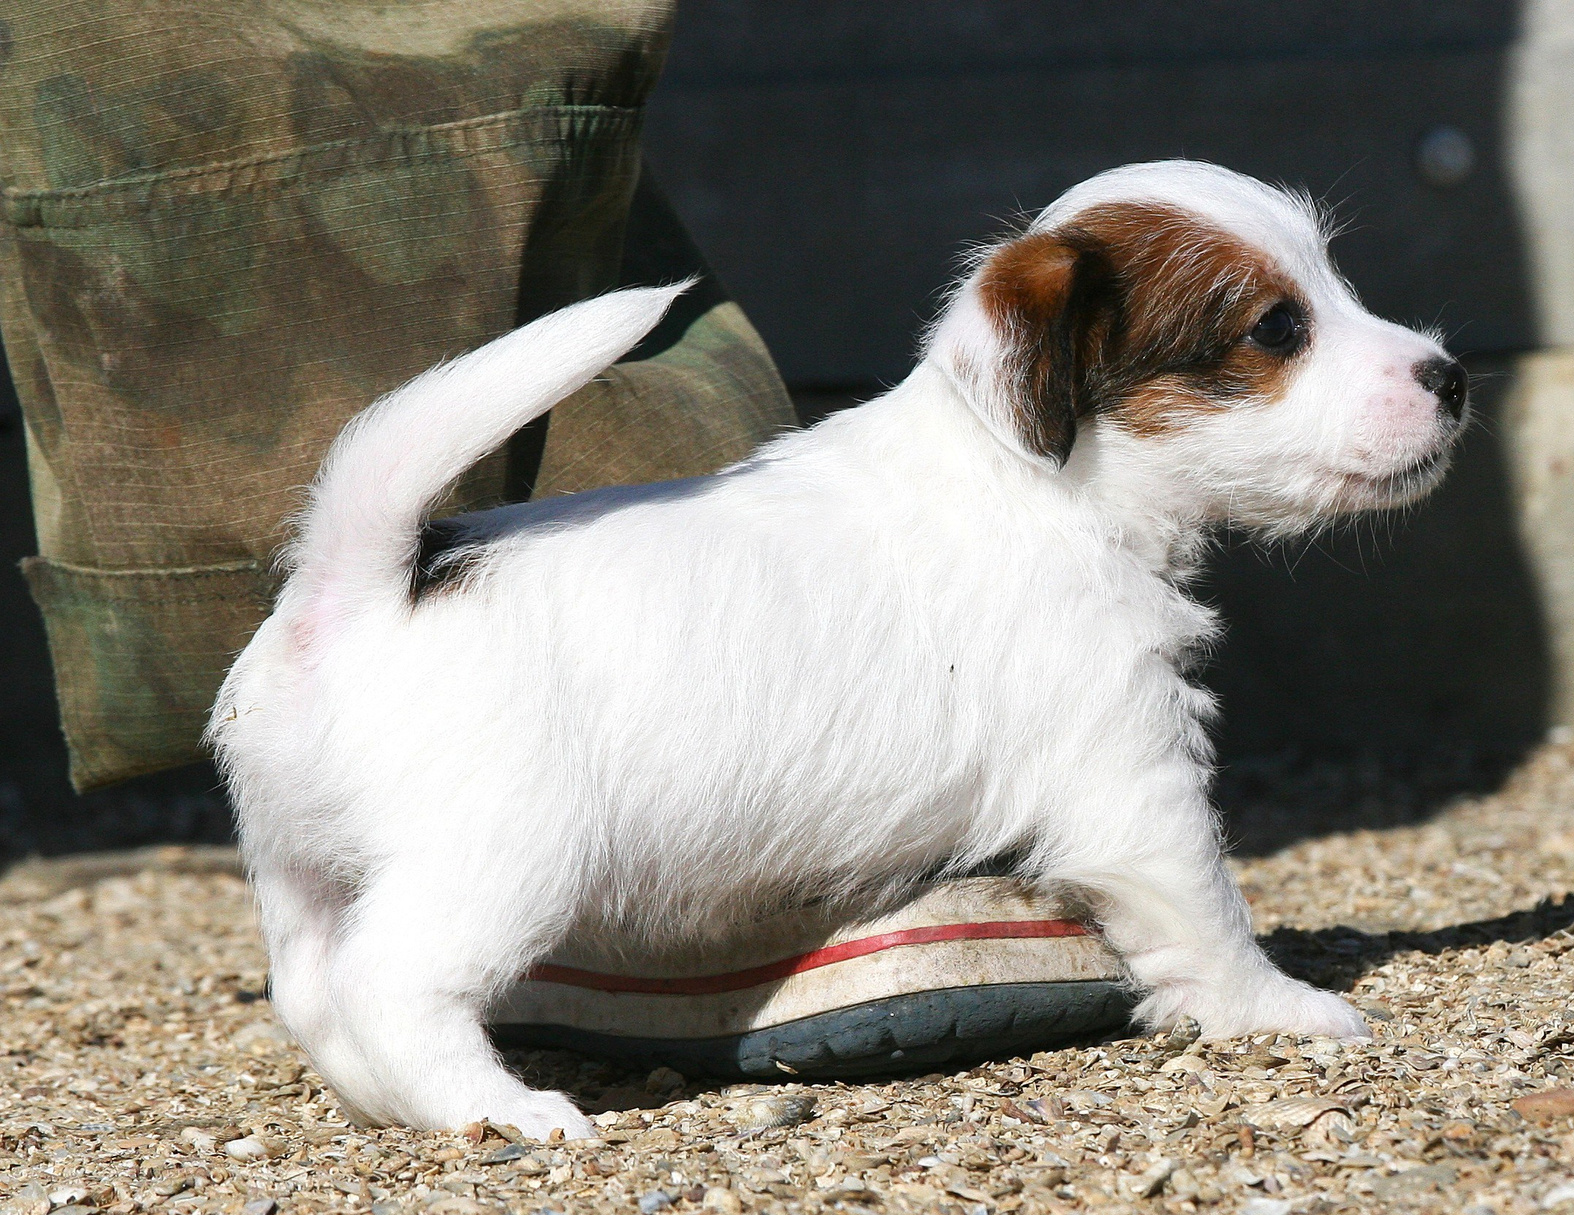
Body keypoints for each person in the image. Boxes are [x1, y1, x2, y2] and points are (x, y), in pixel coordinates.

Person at [0, 0, 1132, 1087]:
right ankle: (451, 1001)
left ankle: (355, 996)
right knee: (526, 798)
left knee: (375, 842)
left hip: (318, 643)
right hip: (468, 643)